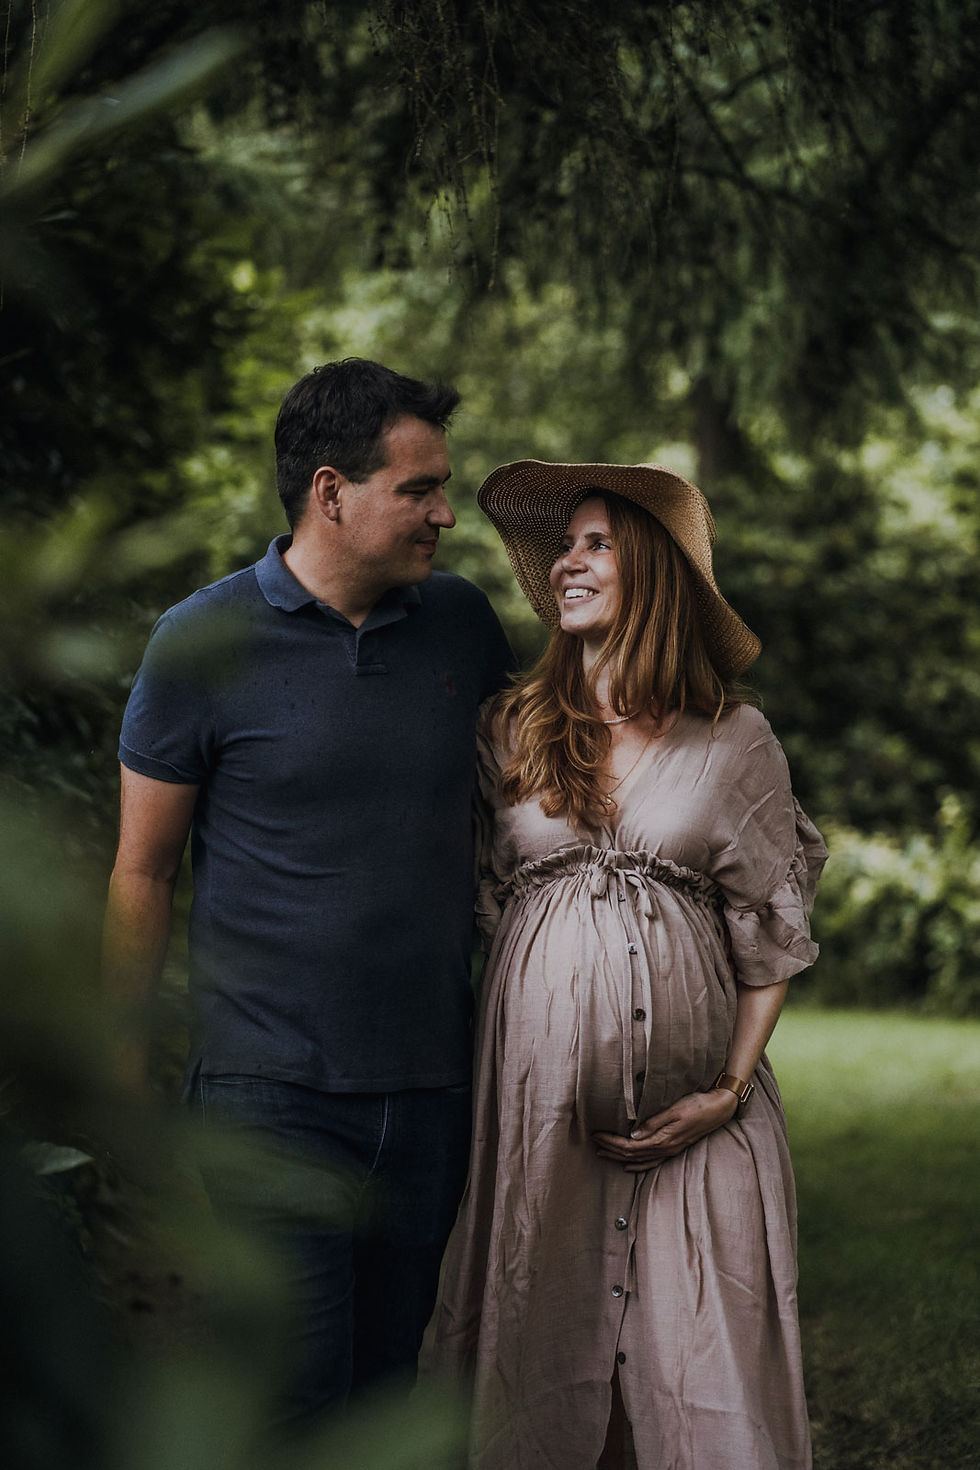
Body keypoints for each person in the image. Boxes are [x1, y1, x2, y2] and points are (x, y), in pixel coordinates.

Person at [101, 358, 513, 1424]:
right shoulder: (199, 640)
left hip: (431, 1085)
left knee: (384, 1393)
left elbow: (543, 798)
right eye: (419, 490)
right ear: (332, 492)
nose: (445, 516)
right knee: (294, 1390)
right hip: (266, 1091)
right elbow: (142, 868)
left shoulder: (463, 628)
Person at [423, 460, 827, 1470]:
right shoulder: (507, 729)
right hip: (538, 1114)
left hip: (703, 1126)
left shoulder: (735, 739)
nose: (566, 561)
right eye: (564, 544)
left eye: (594, 543)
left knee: (708, 1367)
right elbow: (474, 902)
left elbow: (769, 924)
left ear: (649, 571)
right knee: (541, 1354)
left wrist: (727, 1088)